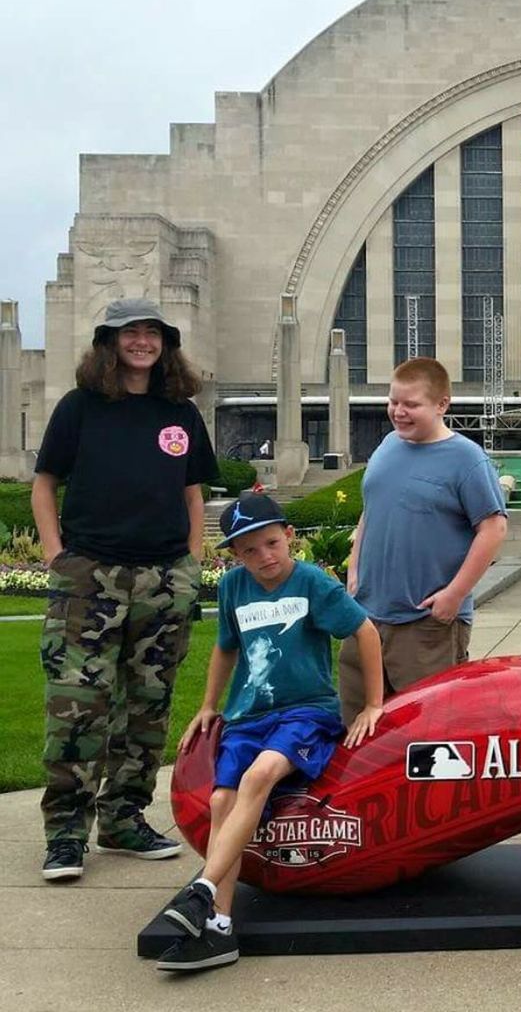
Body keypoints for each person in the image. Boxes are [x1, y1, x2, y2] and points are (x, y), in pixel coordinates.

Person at [156, 494, 384, 972]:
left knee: (260, 776)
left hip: (305, 713)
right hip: (248, 715)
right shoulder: (234, 587)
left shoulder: (311, 583)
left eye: (272, 543)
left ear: (289, 537)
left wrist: (373, 703)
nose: (265, 557)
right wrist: (208, 707)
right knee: (221, 802)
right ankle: (219, 926)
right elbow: (225, 649)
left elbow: (363, 631)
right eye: (250, 551)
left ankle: (202, 888)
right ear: (235, 555)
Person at [32, 297, 218, 881]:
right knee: (77, 706)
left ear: (166, 344)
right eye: (129, 333)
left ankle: (123, 819)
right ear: (108, 342)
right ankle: (65, 834)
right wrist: (55, 554)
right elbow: (45, 483)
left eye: (152, 333)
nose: (141, 342)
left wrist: (190, 561)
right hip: (90, 574)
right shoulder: (80, 408)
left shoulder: (180, 413)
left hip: (164, 579)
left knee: (148, 706)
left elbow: (194, 494)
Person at [339, 357, 507, 721]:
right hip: (366, 617)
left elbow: (494, 529)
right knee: (354, 731)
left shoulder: (467, 460)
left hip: (426, 624)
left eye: (410, 404)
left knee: (426, 735)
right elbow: (371, 509)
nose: (398, 412)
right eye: (393, 402)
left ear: (442, 404)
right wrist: (354, 569)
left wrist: (455, 594)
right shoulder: (387, 445)